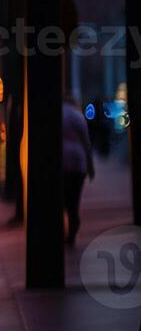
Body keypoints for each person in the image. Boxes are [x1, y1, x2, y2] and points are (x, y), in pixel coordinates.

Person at [63, 97, 96, 246]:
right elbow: (86, 142)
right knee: (74, 202)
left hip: (62, 162)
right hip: (78, 162)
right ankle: (72, 232)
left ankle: (66, 232)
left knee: (62, 198)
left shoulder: (58, 113)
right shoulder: (77, 116)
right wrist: (90, 166)